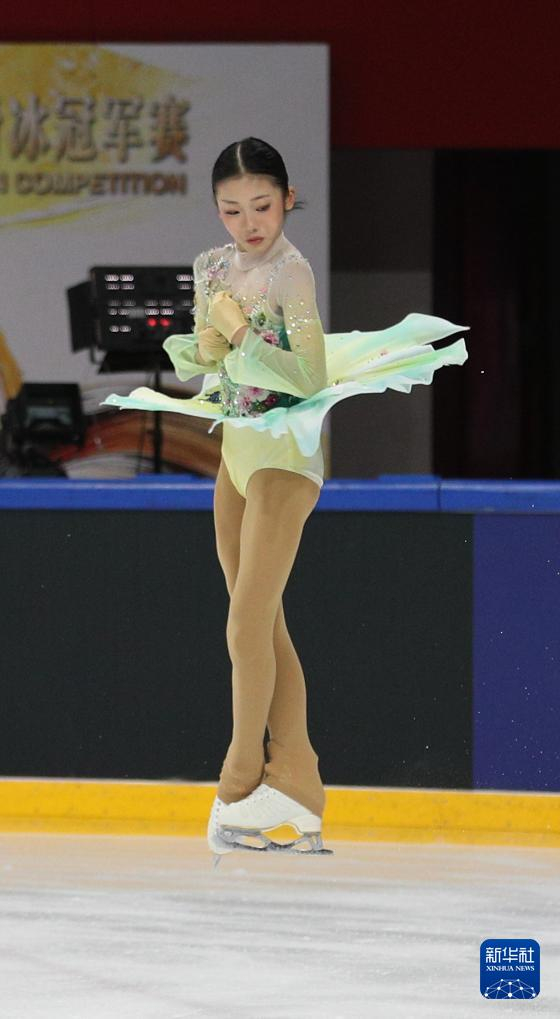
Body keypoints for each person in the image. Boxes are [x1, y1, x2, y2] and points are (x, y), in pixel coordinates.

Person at [101, 137, 469, 865]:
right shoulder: (212, 267)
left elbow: (306, 376)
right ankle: (298, 784)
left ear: (288, 199)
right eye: (232, 209)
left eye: (262, 206)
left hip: (286, 458)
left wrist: (238, 331)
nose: (249, 223)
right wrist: (208, 345)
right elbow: (204, 359)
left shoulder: (291, 273)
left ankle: (240, 781)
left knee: (246, 625)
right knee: (262, 626)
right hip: (236, 453)